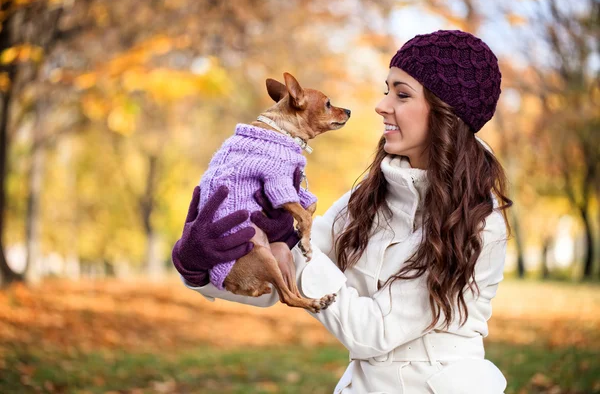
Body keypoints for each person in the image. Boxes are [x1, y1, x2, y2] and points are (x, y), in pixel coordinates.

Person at [172, 29, 512, 393]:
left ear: (448, 112)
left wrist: (287, 243)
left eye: (401, 94)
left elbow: (372, 331)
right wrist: (201, 267)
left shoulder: (478, 222)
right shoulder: (367, 199)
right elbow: (275, 283)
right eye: (386, 90)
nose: (381, 105)